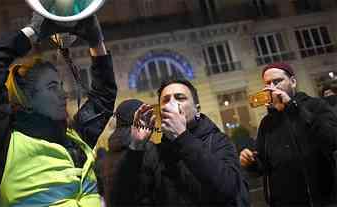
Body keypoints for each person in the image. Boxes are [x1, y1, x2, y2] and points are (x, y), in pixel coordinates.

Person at [0, 13, 117, 206]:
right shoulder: (2, 143)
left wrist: (96, 41)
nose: (64, 94)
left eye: (61, 85)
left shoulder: (75, 138)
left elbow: (103, 95)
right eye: (51, 87)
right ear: (26, 99)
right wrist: (34, 32)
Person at [111, 79, 243, 206]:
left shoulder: (218, 141)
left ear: (197, 109)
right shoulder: (154, 153)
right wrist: (135, 148)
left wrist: (182, 136)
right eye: (165, 100)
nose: (171, 104)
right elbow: (123, 200)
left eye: (180, 98)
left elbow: (229, 189)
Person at [240, 63, 337, 206]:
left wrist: (292, 107)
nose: (272, 87)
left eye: (277, 81)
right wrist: (251, 162)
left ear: (292, 82)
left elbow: (332, 139)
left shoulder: (316, 106)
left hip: (321, 201)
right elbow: (263, 166)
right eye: (268, 83)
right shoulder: (267, 123)